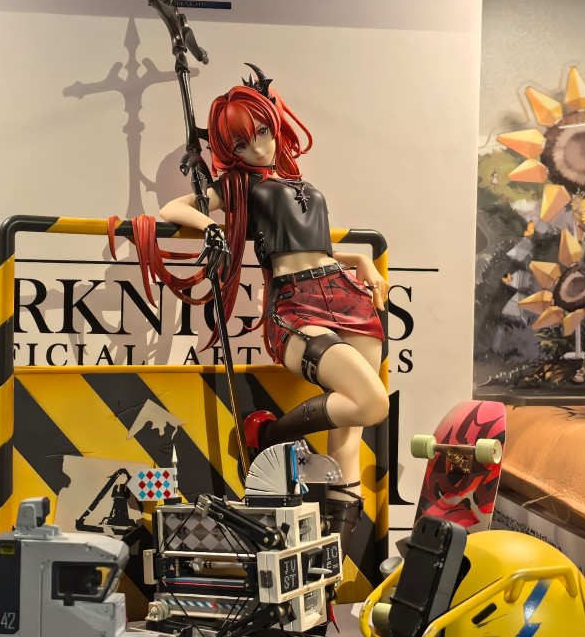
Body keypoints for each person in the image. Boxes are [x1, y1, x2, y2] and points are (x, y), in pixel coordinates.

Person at [115, 70, 387, 569]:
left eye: (262, 132)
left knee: (348, 440)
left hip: (349, 297)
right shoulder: (238, 185)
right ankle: (272, 435)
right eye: (242, 143)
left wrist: (361, 261)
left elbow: (317, 247)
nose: (258, 148)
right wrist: (209, 226)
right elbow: (174, 206)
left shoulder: (295, 182)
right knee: (371, 404)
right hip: (297, 306)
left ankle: (329, 566)